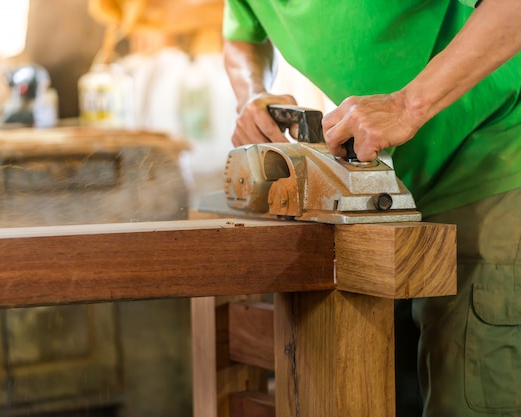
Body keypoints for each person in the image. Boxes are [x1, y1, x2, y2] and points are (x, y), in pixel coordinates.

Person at [221, 0, 521, 416]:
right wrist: (250, 95)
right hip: (386, 185)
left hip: (488, 156)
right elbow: (240, 35)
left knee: (472, 394)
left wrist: (408, 104)